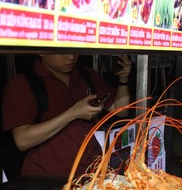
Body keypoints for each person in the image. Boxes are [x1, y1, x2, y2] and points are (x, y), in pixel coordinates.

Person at [1, 54, 132, 178]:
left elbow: (120, 111)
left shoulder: (85, 75)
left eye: (74, 50)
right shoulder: (23, 84)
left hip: (91, 172)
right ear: (41, 51)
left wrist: (123, 80)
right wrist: (73, 113)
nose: (71, 57)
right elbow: (22, 140)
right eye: (62, 51)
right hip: (48, 178)